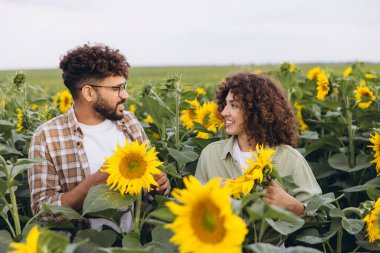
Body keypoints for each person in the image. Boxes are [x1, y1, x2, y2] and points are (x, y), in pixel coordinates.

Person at [28, 44, 170, 232]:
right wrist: (95, 183)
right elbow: (42, 212)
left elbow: (151, 187)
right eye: (117, 88)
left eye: (124, 87)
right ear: (89, 92)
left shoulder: (130, 123)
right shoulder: (48, 137)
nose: (125, 95)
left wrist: (159, 185)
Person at [195, 72, 322, 217]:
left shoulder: (289, 158)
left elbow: (320, 216)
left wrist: (293, 206)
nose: (224, 112)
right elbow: (194, 210)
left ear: (257, 110)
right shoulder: (211, 155)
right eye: (225, 104)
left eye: (234, 105)